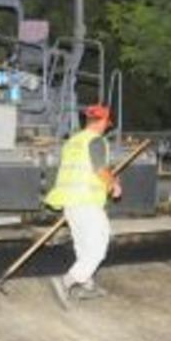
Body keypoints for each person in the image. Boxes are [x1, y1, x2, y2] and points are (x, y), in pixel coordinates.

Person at [45, 105, 122, 308]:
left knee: (84, 246)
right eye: (107, 123)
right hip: (86, 201)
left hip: (70, 202)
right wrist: (113, 184)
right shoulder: (96, 141)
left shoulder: (73, 141)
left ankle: (86, 285)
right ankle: (66, 282)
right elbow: (99, 169)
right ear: (103, 122)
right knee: (98, 247)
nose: (107, 127)